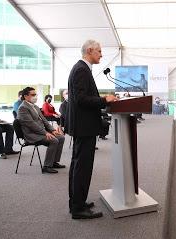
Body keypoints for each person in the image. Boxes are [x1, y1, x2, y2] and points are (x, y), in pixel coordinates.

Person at [67, 39, 117, 219]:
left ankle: (77, 202)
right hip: (84, 127)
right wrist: (104, 100)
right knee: (82, 167)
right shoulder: (81, 69)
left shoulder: (81, 68)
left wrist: (102, 99)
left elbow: (83, 97)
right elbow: (81, 99)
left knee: (78, 165)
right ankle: (78, 208)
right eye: (99, 51)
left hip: (83, 126)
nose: (101, 55)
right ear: (89, 50)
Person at [17, 87, 65, 174]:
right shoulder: (23, 108)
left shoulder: (34, 106)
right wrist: (45, 132)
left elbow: (44, 120)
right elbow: (32, 125)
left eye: (35, 95)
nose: (35, 96)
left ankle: (53, 162)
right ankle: (47, 166)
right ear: (25, 96)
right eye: (33, 95)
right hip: (31, 134)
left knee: (61, 137)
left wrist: (52, 130)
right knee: (53, 140)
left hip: (40, 131)